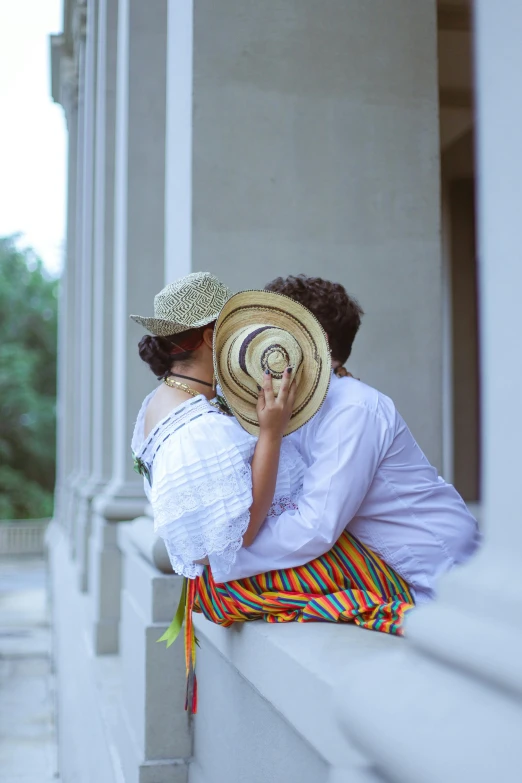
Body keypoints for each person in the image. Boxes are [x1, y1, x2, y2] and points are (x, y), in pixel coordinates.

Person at [131, 272, 414, 712]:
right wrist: (270, 434)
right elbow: (239, 532)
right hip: (233, 583)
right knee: (377, 586)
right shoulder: (197, 427)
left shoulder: (168, 401)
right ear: (211, 335)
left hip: (217, 580)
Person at [225, 274, 480, 604]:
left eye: (280, 328)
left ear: (317, 340)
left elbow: (315, 528)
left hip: (441, 571)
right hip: (393, 570)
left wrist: (224, 555)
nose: (267, 341)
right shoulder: (294, 407)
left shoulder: (353, 409)